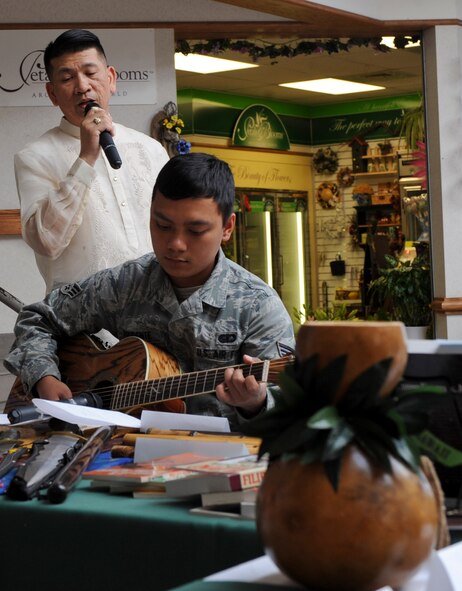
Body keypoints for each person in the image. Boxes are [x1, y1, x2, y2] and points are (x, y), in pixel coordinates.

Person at [5, 153, 295, 430]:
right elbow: (38, 319)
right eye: (163, 225)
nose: (176, 244)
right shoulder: (126, 283)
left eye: (195, 231)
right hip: (119, 452)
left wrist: (255, 404)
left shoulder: (258, 307)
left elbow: (288, 418)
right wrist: (44, 376)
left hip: (217, 461)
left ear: (227, 227)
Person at [14, 29, 169, 293]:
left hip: (155, 312)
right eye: (67, 77)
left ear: (110, 79)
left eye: (90, 73)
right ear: (52, 94)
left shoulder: (150, 149)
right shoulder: (34, 157)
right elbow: (46, 241)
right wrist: (86, 157)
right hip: (82, 323)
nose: (82, 86)